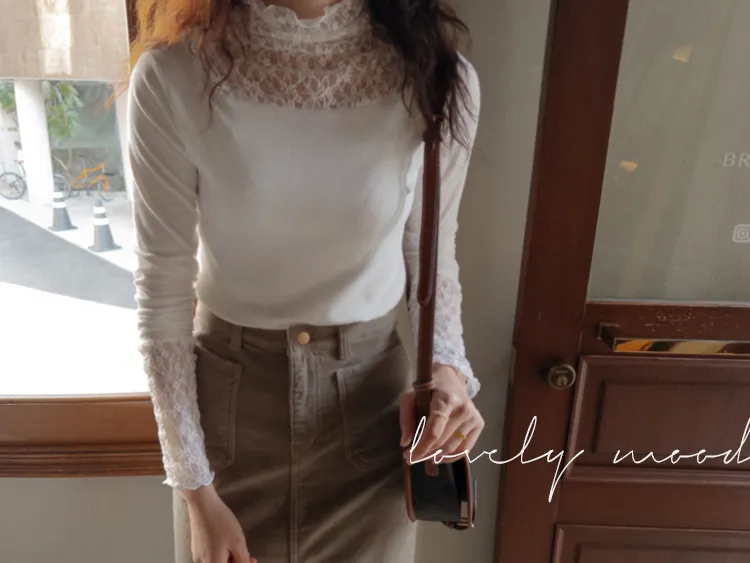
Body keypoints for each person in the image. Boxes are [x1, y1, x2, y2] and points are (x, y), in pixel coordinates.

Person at [128, 0, 484, 561]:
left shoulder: (436, 75)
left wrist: (448, 373)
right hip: (230, 428)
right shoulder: (174, 75)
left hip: (371, 422)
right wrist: (196, 489)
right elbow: (162, 289)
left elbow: (433, 258)